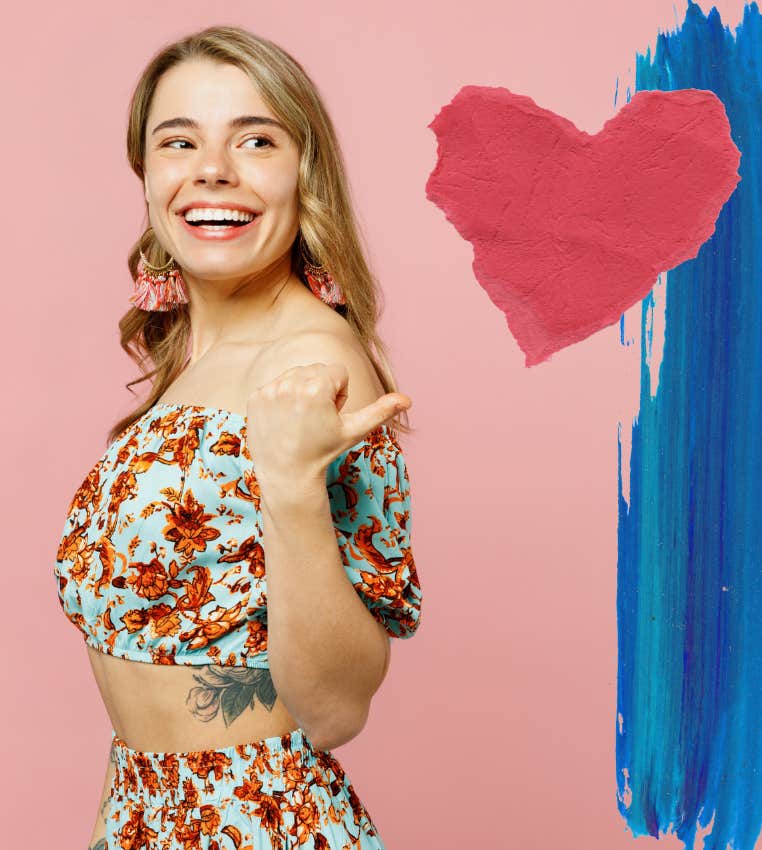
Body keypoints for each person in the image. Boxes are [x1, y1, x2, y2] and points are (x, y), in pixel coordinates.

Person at [53, 25, 423, 850]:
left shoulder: (310, 362)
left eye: (256, 140)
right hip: (145, 815)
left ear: (304, 172)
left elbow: (335, 709)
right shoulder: (195, 356)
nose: (211, 169)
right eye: (178, 141)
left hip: (253, 824)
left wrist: (291, 486)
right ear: (146, 175)